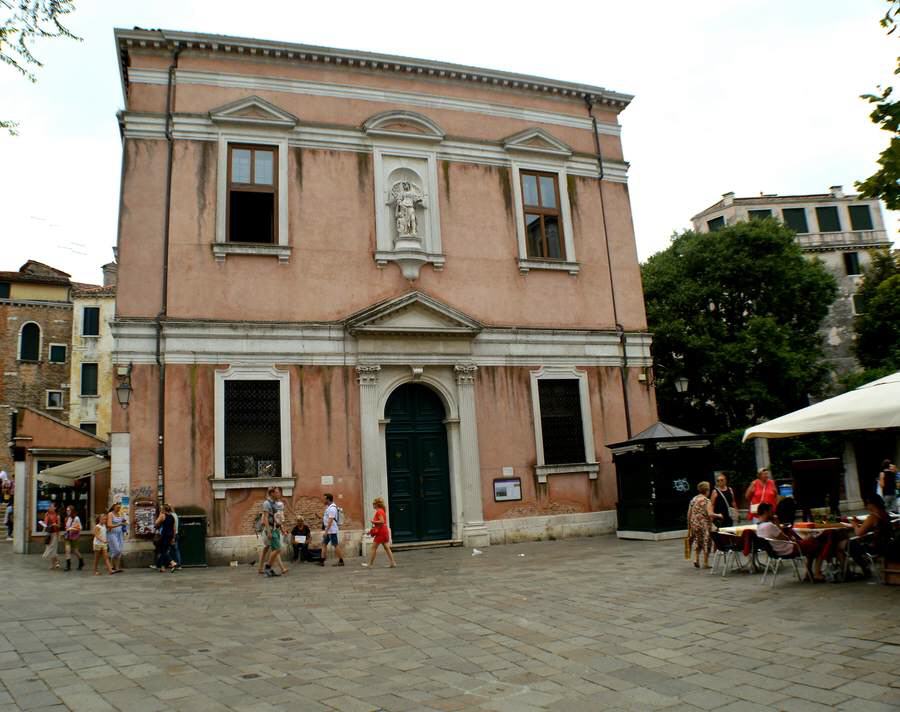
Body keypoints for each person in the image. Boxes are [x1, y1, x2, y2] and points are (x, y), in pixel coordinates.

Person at [756, 502, 826, 582]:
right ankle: (817, 574)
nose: (773, 513)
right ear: (766, 512)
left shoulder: (759, 527)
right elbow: (785, 538)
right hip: (787, 549)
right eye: (771, 511)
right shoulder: (769, 525)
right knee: (818, 545)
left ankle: (808, 573)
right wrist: (777, 524)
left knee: (810, 543)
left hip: (776, 551)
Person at [843, 495, 894, 578]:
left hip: (875, 548)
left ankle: (863, 567)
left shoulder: (873, 517)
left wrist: (855, 525)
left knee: (848, 544)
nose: (866, 506)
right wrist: (861, 522)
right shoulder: (885, 514)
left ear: (872, 504)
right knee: (852, 544)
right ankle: (862, 568)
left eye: (867, 504)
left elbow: (858, 533)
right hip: (885, 545)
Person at [687, 482, 715, 569]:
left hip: (694, 523)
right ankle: (706, 562)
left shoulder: (694, 499)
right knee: (707, 542)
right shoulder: (707, 501)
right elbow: (710, 514)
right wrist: (719, 515)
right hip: (704, 524)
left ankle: (696, 559)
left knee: (697, 540)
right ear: (707, 490)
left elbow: (689, 513)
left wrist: (689, 524)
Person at [363, 497, 396, 569]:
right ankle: (393, 563)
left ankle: (370, 564)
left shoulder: (379, 511)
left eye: (373, 504)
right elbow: (381, 522)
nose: (373, 505)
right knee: (386, 547)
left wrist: (373, 521)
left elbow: (382, 521)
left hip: (381, 532)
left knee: (373, 548)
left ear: (377, 504)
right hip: (383, 530)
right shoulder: (382, 511)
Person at [319, 493, 344, 567]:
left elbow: (330, 520)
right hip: (329, 530)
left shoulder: (332, 508)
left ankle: (341, 561)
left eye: (324, 498)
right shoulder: (329, 507)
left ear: (328, 499)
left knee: (335, 545)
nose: (323, 500)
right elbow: (327, 519)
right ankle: (322, 561)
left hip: (331, 531)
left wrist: (326, 532)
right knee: (324, 544)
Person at [257, 488, 277, 575]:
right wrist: (269, 531)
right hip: (269, 528)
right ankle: (267, 567)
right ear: (272, 493)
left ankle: (260, 568)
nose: (278, 493)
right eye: (276, 492)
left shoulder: (274, 503)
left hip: (273, 527)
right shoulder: (267, 503)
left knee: (266, 548)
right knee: (276, 548)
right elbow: (265, 518)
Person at [154, 504, 177, 572]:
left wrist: (160, 514)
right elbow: (174, 529)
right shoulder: (172, 516)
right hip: (170, 535)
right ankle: (162, 567)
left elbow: (156, 522)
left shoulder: (163, 515)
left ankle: (172, 562)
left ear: (164, 509)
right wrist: (173, 538)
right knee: (163, 550)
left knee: (163, 551)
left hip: (164, 535)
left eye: (162, 509)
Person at [63, 505, 84, 571]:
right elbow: (66, 528)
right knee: (67, 550)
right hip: (68, 536)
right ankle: (68, 565)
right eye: (67, 510)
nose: (67, 511)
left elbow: (80, 528)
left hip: (74, 536)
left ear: (72, 511)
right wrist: (67, 529)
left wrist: (72, 529)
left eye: (68, 510)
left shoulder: (76, 518)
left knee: (75, 551)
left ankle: (81, 561)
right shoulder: (67, 518)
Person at [106, 503, 126, 573]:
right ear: (114, 507)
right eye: (117, 507)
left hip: (119, 534)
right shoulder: (110, 514)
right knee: (116, 550)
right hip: (112, 534)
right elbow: (109, 525)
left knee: (120, 551)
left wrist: (123, 522)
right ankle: (111, 565)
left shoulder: (120, 514)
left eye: (119, 508)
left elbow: (123, 521)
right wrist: (119, 524)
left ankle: (117, 567)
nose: (119, 509)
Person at [41, 502, 62, 570]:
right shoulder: (47, 514)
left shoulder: (57, 516)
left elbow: (59, 526)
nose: (50, 507)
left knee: (53, 548)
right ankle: (55, 563)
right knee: (52, 549)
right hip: (49, 533)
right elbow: (45, 523)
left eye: (51, 506)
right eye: (50, 506)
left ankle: (46, 554)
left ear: (55, 508)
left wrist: (55, 525)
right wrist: (43, 528)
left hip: (55, 533)